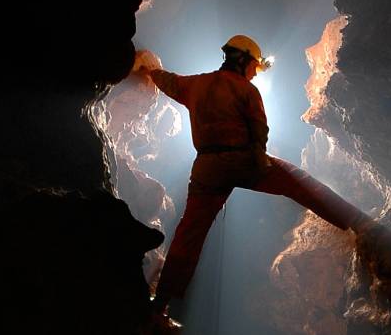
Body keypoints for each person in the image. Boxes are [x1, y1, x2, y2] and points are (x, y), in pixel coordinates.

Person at [134, 35, 369, 316]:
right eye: (254, 67)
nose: (254, 73)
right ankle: (357, 222)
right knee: (298, 182)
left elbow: (169, 82)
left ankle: (161, 302)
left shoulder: (195, 84)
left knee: (189, 234)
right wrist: (261, 164)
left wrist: (149, 71)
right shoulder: (246, 90)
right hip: (243, 161)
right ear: (243, 60)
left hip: (207, 169)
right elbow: (259, 130)